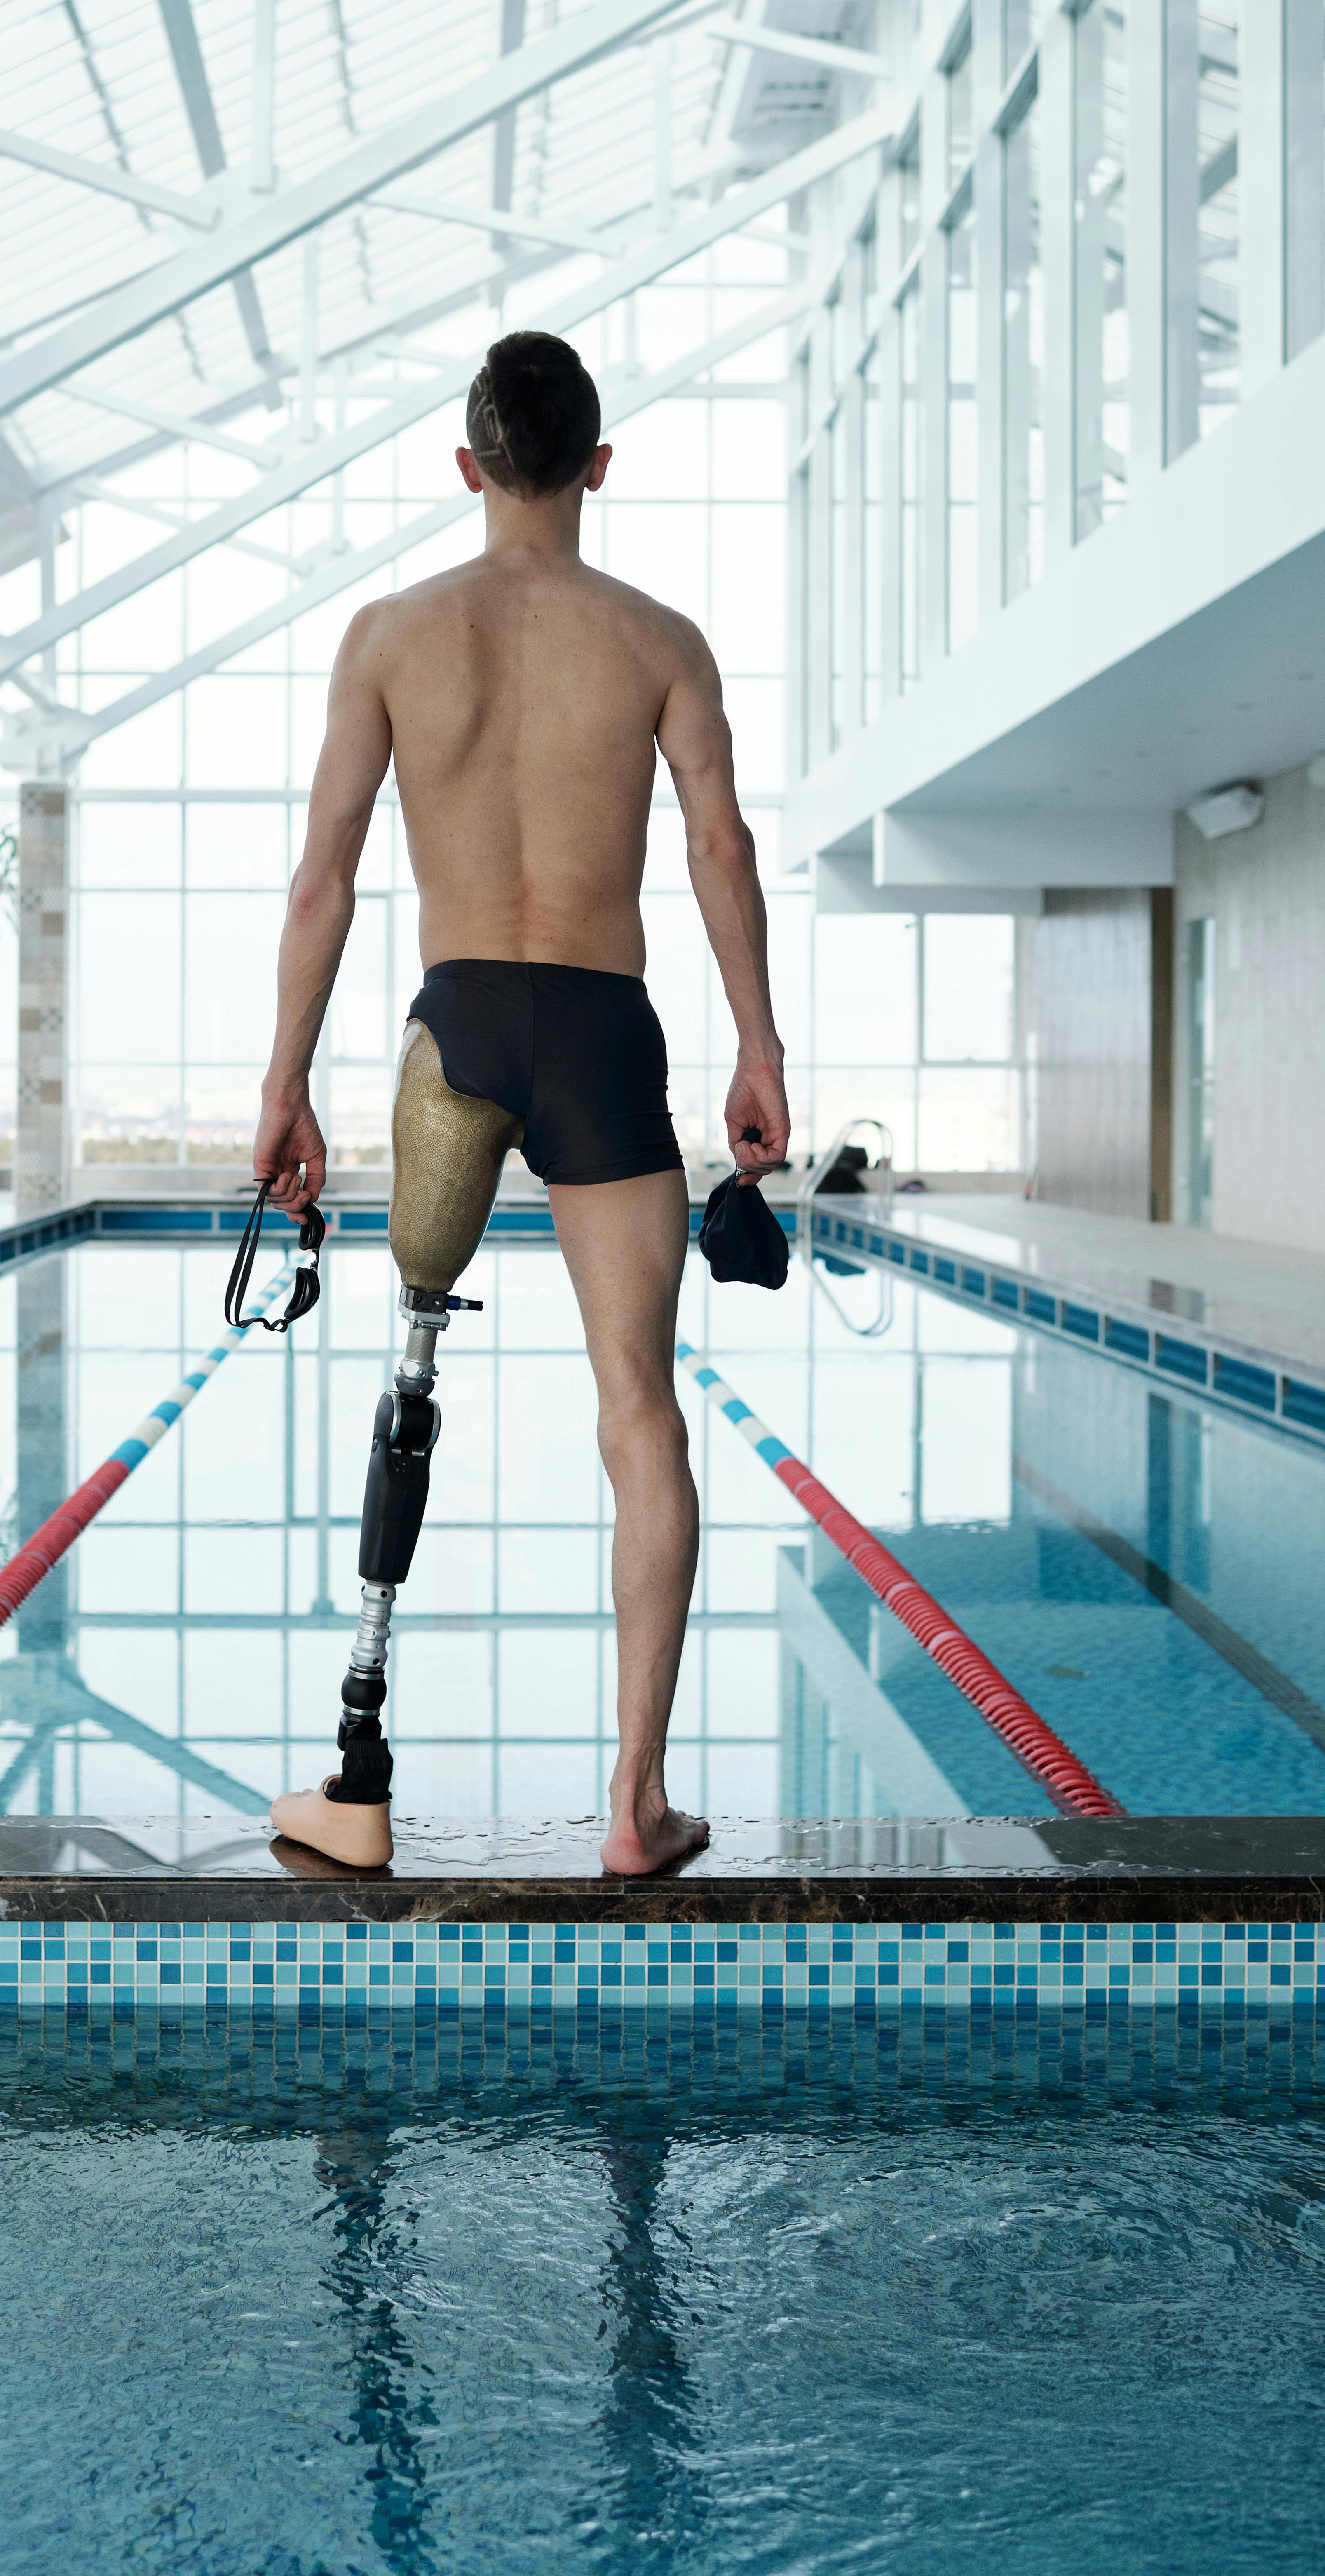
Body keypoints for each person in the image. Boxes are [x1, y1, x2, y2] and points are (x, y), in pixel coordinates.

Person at [253, 330, 790, 1877]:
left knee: (412, 1371)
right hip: (606, 1033)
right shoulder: (660, 640)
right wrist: (759, 1046)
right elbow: (720, 851)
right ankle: (635, 1802)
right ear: (599, 467)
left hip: (458, 1033)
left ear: (470, 465)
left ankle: (355, 1779)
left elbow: (324, 879)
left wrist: (285, 1082)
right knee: (640, 1414)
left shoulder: (391, 635)